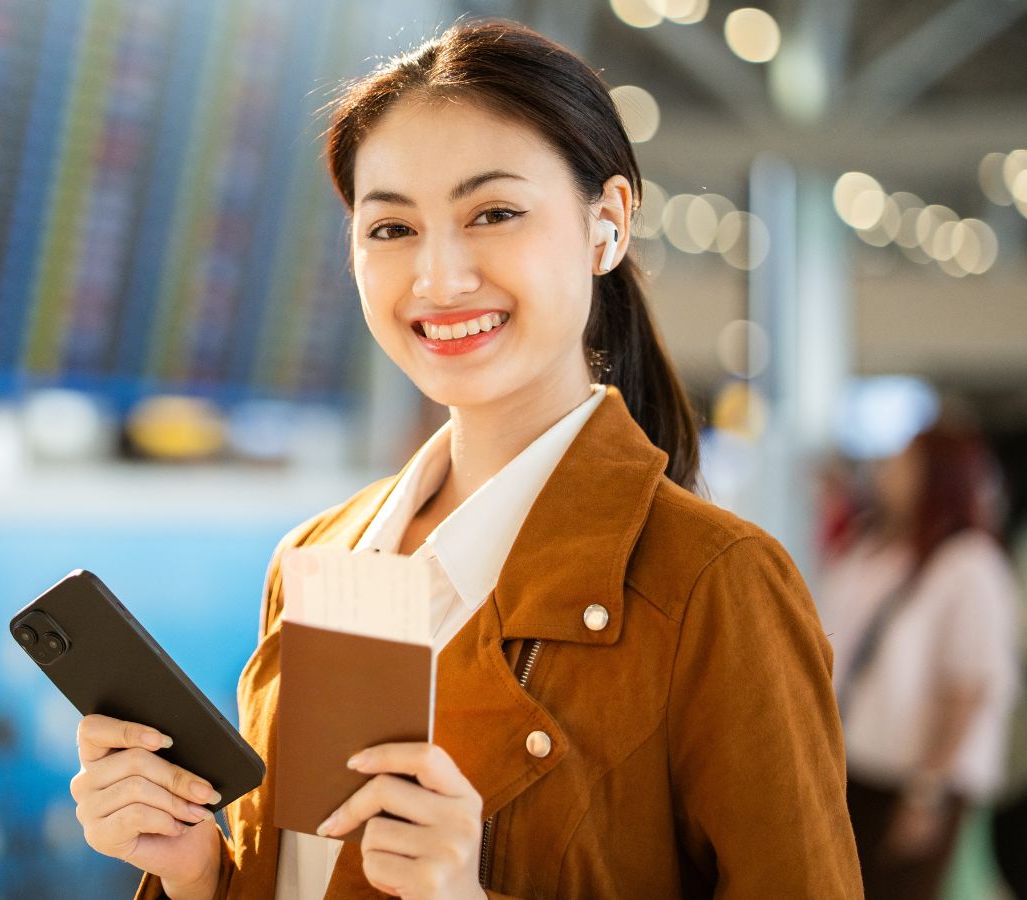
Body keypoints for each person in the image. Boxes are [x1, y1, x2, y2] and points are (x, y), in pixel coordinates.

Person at [70, 18, 862, 899]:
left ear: (607, 226)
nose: (439, 278)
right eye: (391, 228)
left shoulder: (714, 584)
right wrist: (198, 876)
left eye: (493, 214)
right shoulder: (323, 556)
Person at [818, 422, 1020, 900]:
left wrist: (927, 791)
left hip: (912, 778)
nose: (889, 471)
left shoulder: (968, 565)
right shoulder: (868, 549)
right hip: (852, 763)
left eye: (906, 462)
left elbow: (970, 689)